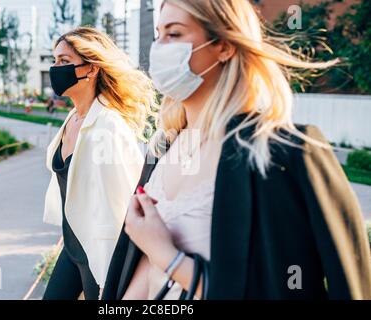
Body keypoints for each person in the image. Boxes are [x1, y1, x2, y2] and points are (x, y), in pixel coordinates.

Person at [102, 0, 371, 300]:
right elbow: (144, 274)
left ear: (225, 46)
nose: (158, 48)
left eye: (175, 34)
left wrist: (167, 255)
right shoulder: (164, 148)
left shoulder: (279, 154)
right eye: (158, 35)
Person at [42, 27, 157, 300]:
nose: (56, 68)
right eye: (55, 60)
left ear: (91, 69)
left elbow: (123, 203)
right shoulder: (73, 118)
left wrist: (112, 273)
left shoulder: (108, 125)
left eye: (64, 61)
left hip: (101, 253)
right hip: (73, 246)